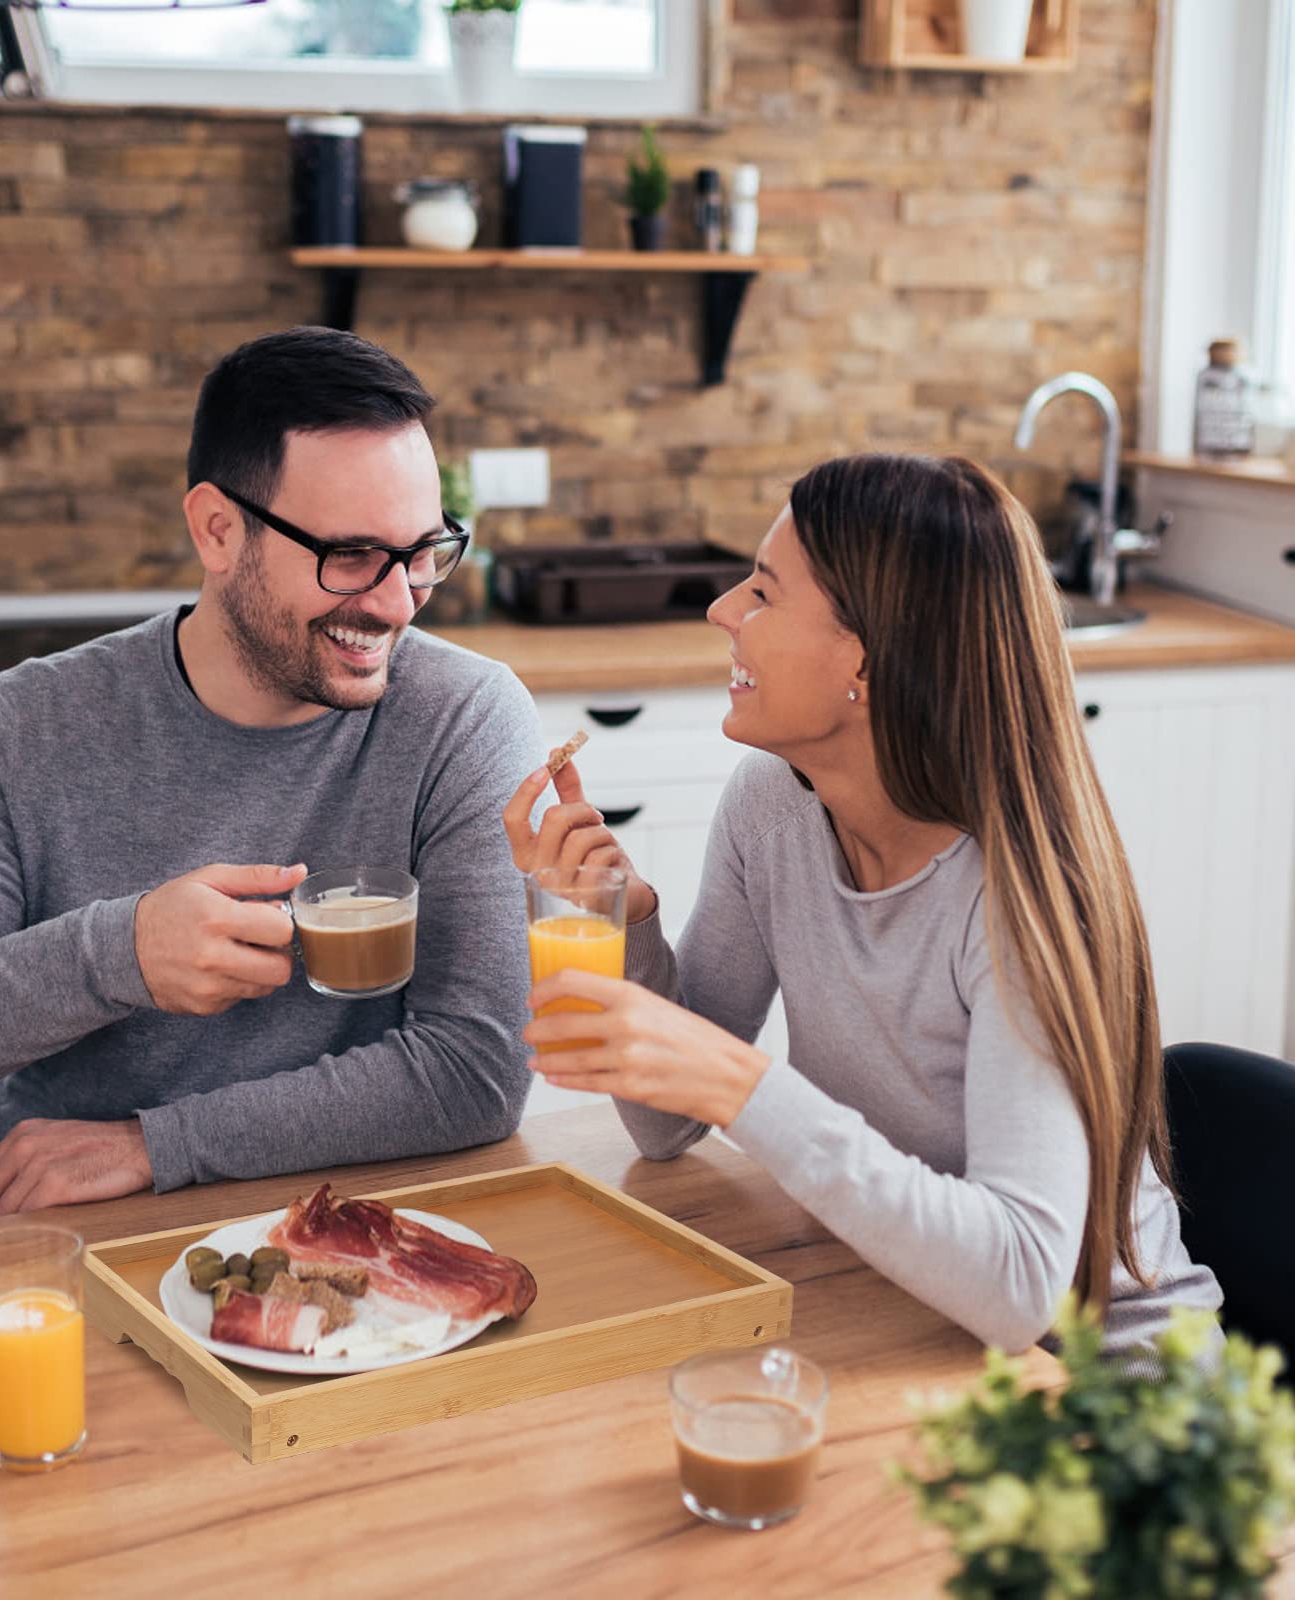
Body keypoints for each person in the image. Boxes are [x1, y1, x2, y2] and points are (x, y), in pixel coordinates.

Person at [0, 326, 544, 1219]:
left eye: (423, 552)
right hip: (79, 1239)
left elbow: (474, 1070)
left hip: (353, 1239)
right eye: (349, 556)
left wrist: (158, 1146)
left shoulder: (464, 716)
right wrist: (121, 955)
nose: (397, 602)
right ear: (218, 529)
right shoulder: (33, 724)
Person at [503, 452, 1221, 1359]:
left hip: (1108, 1402)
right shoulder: (773, 807)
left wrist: (743, 1082)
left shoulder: (1021, 898)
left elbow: (1022, 1291)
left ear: (869, 659)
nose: (723, 610)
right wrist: (624, 919)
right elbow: (665, 1127)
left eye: (763, 594)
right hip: (917, 1323)